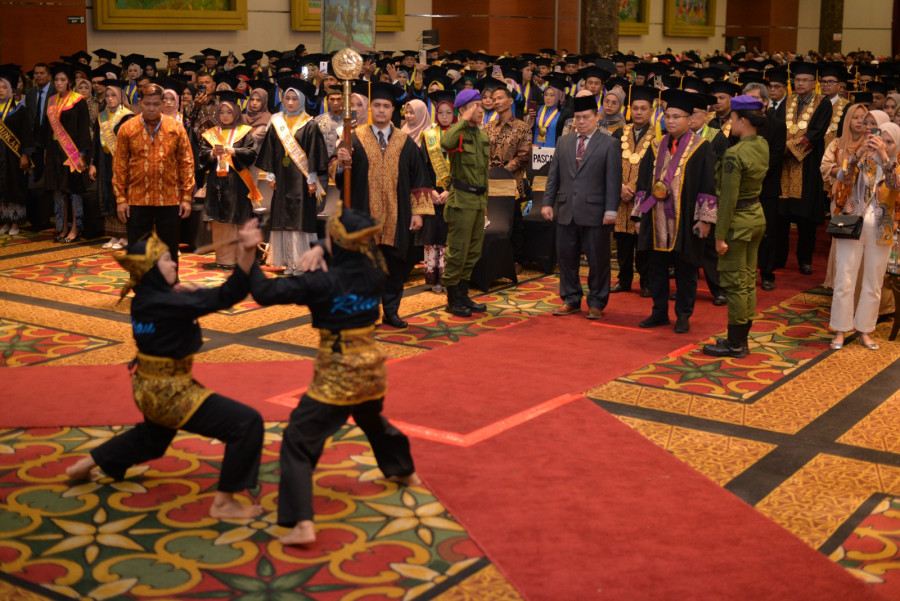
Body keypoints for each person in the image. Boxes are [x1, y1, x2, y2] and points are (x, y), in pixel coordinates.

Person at [244, 205, 421, 546]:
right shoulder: (376, 267)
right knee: (371, 419)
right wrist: (323, 248)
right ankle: (404, 469)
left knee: (297, 439)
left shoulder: (321, 281)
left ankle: (301, 523)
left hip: (338, 372)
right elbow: (356, 247)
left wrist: (251, 253)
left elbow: (265, 293)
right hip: (372, 368)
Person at [66, 225, 265, 521]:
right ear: (152, 271)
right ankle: (224, 503)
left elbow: (173, 311)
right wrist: (247, 251)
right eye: (167, 261)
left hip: (148, 387)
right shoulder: (166, 302)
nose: (175, 263)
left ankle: (86, 464)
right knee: (247, 423)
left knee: (153, 438)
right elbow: (225, 296)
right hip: (171, 393)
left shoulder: (144, 299)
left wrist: (179, 299)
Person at [334, 81, 433, 329]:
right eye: (376, 105)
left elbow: (419, 178)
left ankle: (391, 311)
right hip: (362, 216)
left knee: (395, 266)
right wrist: (340, 162)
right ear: (371, 109)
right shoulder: (353, 139)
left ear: (392, 111)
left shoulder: (407, 142)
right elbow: (340, 180)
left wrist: (418, 214)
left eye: (386, 106)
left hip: (397, 216)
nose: (381, 110)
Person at [632, 90, 718, 334]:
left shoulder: (702, 148)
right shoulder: (656, 146)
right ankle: (659, 312)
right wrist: (639, 216)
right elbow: (642, 182)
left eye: (676, 117)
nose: (670, 121)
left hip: (685, 220)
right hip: (655, 217)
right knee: (656, 268)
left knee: (686, 270)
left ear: (690, 120)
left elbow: (707, 185)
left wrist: (704, 219)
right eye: (667, 116)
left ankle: (683, 315)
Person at [542, 94, 622, 319]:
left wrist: (611, 210)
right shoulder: (564, 142)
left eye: (586, 117)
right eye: (577, 117)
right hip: (567, 209)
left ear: (597, 117)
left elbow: (613, 180)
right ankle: (571, 299)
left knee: (598, 260)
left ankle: (596, 301)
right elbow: (553, 176)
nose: (581, 122)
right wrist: (548, 202)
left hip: (596, 212)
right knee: (566, 258)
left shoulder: (609, 143)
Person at [702, 96, 770, 358]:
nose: (730, 123)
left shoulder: (734, 154)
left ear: (742, 120)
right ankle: (741, 337)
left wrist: (719, 237)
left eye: (732, 119)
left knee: (734, 283)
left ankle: (736, 342)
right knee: (748, 280)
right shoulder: (761, 144)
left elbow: (728, 200)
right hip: (756, 217)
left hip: (737, 223)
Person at [828, 123, 900, 350]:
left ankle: (865, 330)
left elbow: (895, 185)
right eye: (880, 139)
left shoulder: (895, 165)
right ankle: (840, 330)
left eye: (889, 142)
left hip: (882, 228)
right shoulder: (860, 160)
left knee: (873, 282)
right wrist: (858, 154)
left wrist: (885, 157)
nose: (883, 144)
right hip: (851, 224)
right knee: (844, 279)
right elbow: (843, 178)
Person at [113, 83, 195, 269]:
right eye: (147, 104)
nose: (151, 108)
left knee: (169, 248)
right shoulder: (127, 128)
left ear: (163, 103)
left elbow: (187, 162)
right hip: (137, 198)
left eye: (156, 104)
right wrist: (120, 198)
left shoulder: (176, 128)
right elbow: (119, 165)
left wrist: (187, 197)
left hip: (170, 197)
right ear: (140, 103)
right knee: (138, 249)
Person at [255, 78, 328, 275]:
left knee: (299, 221)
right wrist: (270, 174)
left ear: (302, 100)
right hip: (282, 178)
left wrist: (312, 178)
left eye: (294, 99)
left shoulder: (310, 124)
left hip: (302, 181)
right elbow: (270, 149)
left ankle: (300, 262)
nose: (290, 102)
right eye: (286, 98)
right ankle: (288, 261)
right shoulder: (277, 122)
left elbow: (314, 152)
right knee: (283, 219)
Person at [776, 63, 832, 275]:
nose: (800, 83)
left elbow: (816, 134)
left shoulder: (823, 103)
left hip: (808, 165)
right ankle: (778, 258)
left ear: (814, 83)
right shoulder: (787, 101)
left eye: (805, 80)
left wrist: (785, 150)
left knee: (805, 216)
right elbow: (776, 126)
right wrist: (778, 150)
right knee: (781, 215)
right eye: (797, 80)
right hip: (783, 167)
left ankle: (805, 260)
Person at [440, 89, 489, 317]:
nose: (481, 109)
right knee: (458, 251)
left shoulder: (482, 135)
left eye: (481, 105)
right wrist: (462, 121)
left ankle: (463, 294)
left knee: (473, 251)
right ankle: (452, 299)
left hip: (479, 201)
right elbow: (446, 142)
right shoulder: (457, 133)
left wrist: (486, 202)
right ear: (463, 110)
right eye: (475, 106)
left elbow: (484, 173)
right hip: (462, 201)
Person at [199, 90, 262, 269]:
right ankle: (223, 258)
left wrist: (233, 151)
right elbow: (201, 156)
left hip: (238, 183)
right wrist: (211, 153)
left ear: (235, 112)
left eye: (229, 112)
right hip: (216, 182)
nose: (225, 116)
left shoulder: (245, 133)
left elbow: (252, 153)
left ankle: (241, 259)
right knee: (220, 220)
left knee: (238, 219)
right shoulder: (211, 133)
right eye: (221, 112)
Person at [612, 85, 657, 296]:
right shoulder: (619, 133)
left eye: (643, 108)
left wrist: (643, 195)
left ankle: (646, 281)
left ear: (651, 111)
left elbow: (660, 172)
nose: (638, 112)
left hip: (646, 200)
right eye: (635, 108)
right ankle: (624, 279)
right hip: (621, 198)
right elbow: (610, 165)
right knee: (622, 243)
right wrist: (619, 187)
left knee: (644, 244)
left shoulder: (659, 138)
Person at [742, 82, 786, 292]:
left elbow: (776, 156)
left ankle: (767, 273)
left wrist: (753, 174)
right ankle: (743, 272)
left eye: (754, 99)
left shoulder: (777, 125)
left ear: (765, 102)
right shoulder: (740, 123)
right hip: (741, 188)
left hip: (766, 187)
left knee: (767, 233)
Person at [483, 85, 533, 272]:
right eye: (493, 99)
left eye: (500, 98)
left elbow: (523, 156)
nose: (496, 102)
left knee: (514, 223)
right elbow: (483, 153)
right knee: (493, 222)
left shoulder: (522, 128)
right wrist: (491, 173)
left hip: (512, 183)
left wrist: (502, 173)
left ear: (511, 101)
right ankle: (495, 258)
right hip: (490, 183)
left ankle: (518, 259)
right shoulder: (488, 127)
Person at [43, 63, 91, 243]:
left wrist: (82, 154)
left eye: (62, 80)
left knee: (73, 190)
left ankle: (75, 228)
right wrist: (47, 151)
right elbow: (48, 130)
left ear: (70, 81)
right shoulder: (51, 102)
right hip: (55, 150)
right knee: (58, 190)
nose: (59, 83)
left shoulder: (78, 101)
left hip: (72, 153)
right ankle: (62, 227)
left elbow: (83, 130)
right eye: (56, 80)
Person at [418, 92, 455, 292]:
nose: (444, 116)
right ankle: (434, 279)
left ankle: (448, 277)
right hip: (432, 192)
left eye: (448, 112)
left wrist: (449, 190)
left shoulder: (459, 135)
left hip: (453, 192)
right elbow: (423, 166)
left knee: (448, 236)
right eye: (440, 112)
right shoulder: (428, 136)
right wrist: (430, 189)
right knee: (432, 235)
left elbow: (462, 167)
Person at [89, 80, 132, 250]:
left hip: (122, 162)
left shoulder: (128, 116)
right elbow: (95, 144)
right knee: (106, 195)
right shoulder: (101, 116)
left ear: (121, 96)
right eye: (107, 95)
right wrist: (93, 164)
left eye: (113, 95)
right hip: (104, 161)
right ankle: (113, 235)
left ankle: (125, 235)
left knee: (120, 196)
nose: (109, 98)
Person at [0, 68, 28, 236]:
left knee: (14, 186)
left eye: (4, 87)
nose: (1, 90)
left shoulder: (18, 109)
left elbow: (25, 134)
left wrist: (25, 154)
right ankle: (4, 220)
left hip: (14, 155)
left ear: (10, 89)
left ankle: (16, 222)